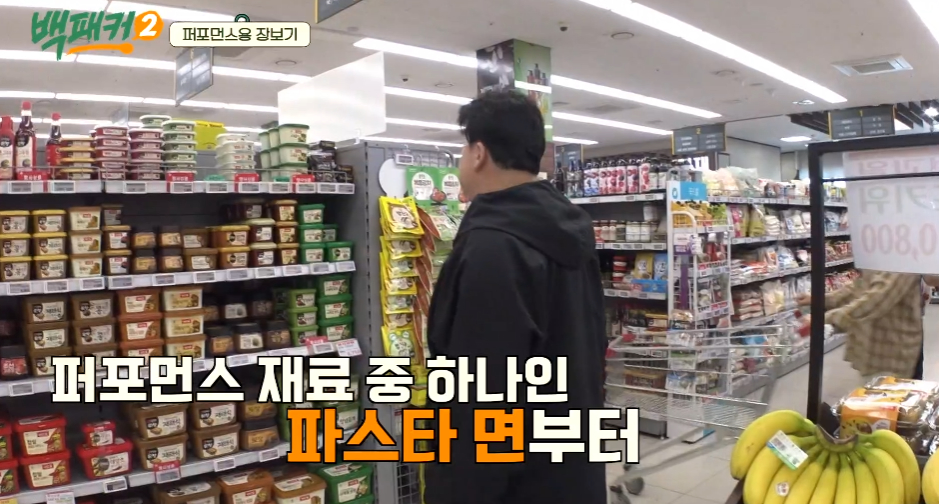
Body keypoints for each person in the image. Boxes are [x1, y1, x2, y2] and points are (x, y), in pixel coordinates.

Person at [422, 90, 607, 504]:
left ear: (479, 153)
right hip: (569, 463)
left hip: (516, 485)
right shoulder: (567, 227)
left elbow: (482, 395)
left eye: (462, 148)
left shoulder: (492, 247)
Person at [797, 270, 924, 379]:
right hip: (872, 349)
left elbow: (874, 301)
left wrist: (825, 319)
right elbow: (859, 287)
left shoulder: (901, 264)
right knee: (871, 395)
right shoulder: (880, 257)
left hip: (893, 354)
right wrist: (819, 299)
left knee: (889, 397)